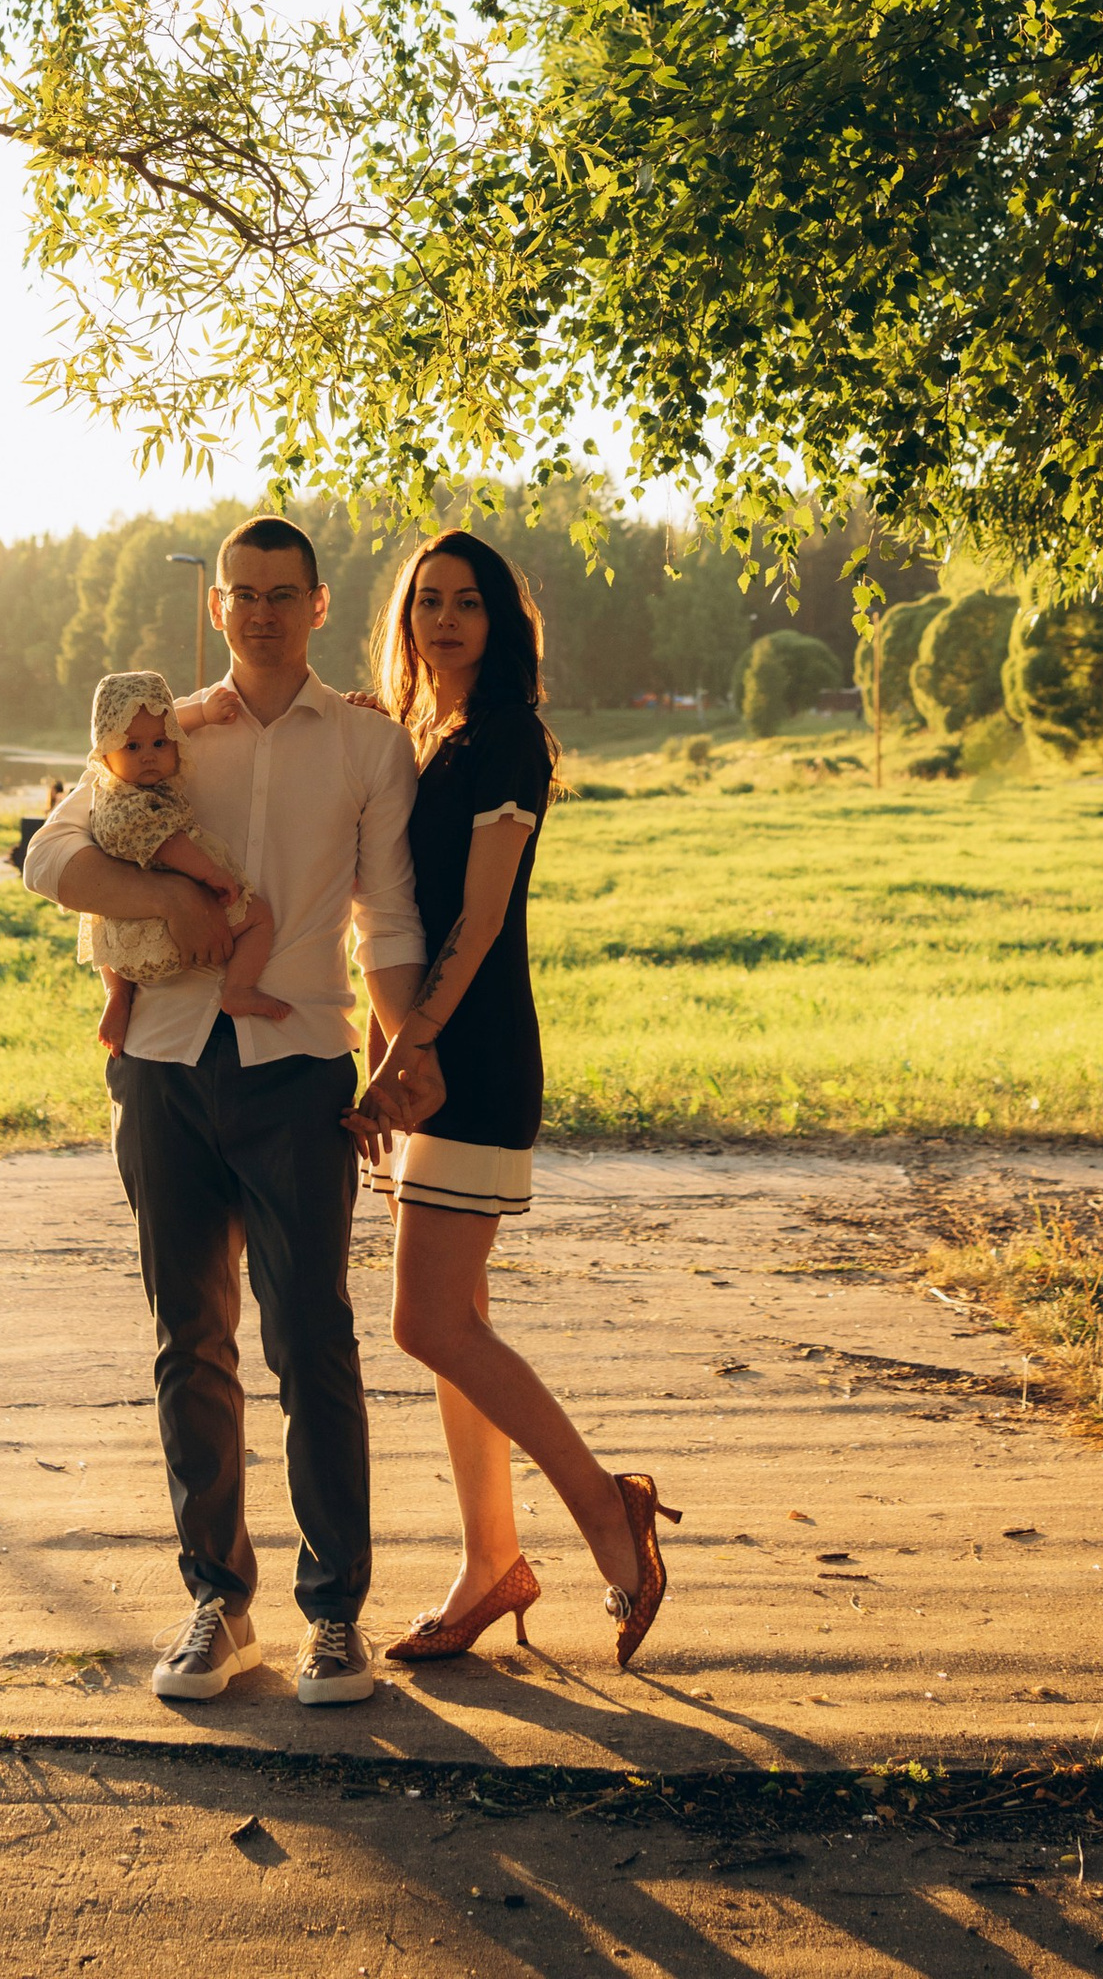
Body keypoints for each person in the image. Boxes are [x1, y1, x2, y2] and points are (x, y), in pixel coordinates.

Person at [21, 517, 432, 1711]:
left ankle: (334, 1617)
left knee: (312, 1342)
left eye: (280, 593)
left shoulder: (366, 743)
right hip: (161, 1066)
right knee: (186, 1343)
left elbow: (389, 920)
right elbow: (49, 860)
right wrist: (166, 897)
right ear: (215, 608)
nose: (259, 611)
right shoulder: (166, 736)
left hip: (299, 1062)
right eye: (239, 593)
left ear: (315, 604)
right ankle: (219, 1602)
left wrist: (406, 1051)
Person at [352, 530, 678, 1672]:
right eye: (427, 602)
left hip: (470, 1054)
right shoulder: (422, 739)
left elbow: (479, 920)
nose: (444, 620)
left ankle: (604, 1509)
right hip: (424, 1050)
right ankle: (490, 1561)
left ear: (503, 624)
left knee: (426, 1321)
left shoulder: (504, 745)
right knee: (457, 1328)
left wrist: (409, 1051)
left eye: (469, 603)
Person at [76, 670, 289, 1053]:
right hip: (170, 937)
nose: (149, 757)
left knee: (100, 914)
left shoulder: (105, 793)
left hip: (123, 945)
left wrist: (203, 713)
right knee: (258, 916)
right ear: (104, 750)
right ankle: (239, 989)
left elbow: (170, 721)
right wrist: (215, 875)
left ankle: (118, 994)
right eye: (132, 748)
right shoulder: (136, 804)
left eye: (160, 743)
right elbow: (170, 847)